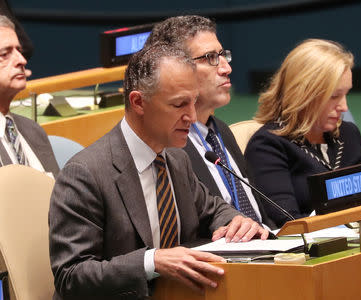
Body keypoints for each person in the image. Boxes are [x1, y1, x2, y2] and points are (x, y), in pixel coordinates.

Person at [49, 42, 268, 300]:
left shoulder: (175, 159)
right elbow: (71, 275)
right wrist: (152, 262)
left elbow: (211, 209)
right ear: (139, 102)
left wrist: (234, 222)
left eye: (194, 102)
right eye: (179, 105)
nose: (191, 115)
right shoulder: (85, 174)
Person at [146, 15, 275, 229]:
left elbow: (262, 216)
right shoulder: (164, 147)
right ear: (173, 69)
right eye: (209, 58)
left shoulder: (220, 131)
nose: (226, 69)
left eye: (223, 56)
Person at [245, 39, 361, 227]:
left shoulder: (349, 135)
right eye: (334, 96)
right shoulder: (267, 146)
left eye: (346, 94)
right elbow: (289, 225)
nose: (344, 107)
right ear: (303, 94)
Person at [0, 15, 58, 176]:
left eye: (18, 50)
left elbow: (61, 198)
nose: (22, 60)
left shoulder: (33, 131)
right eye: (5, 54)